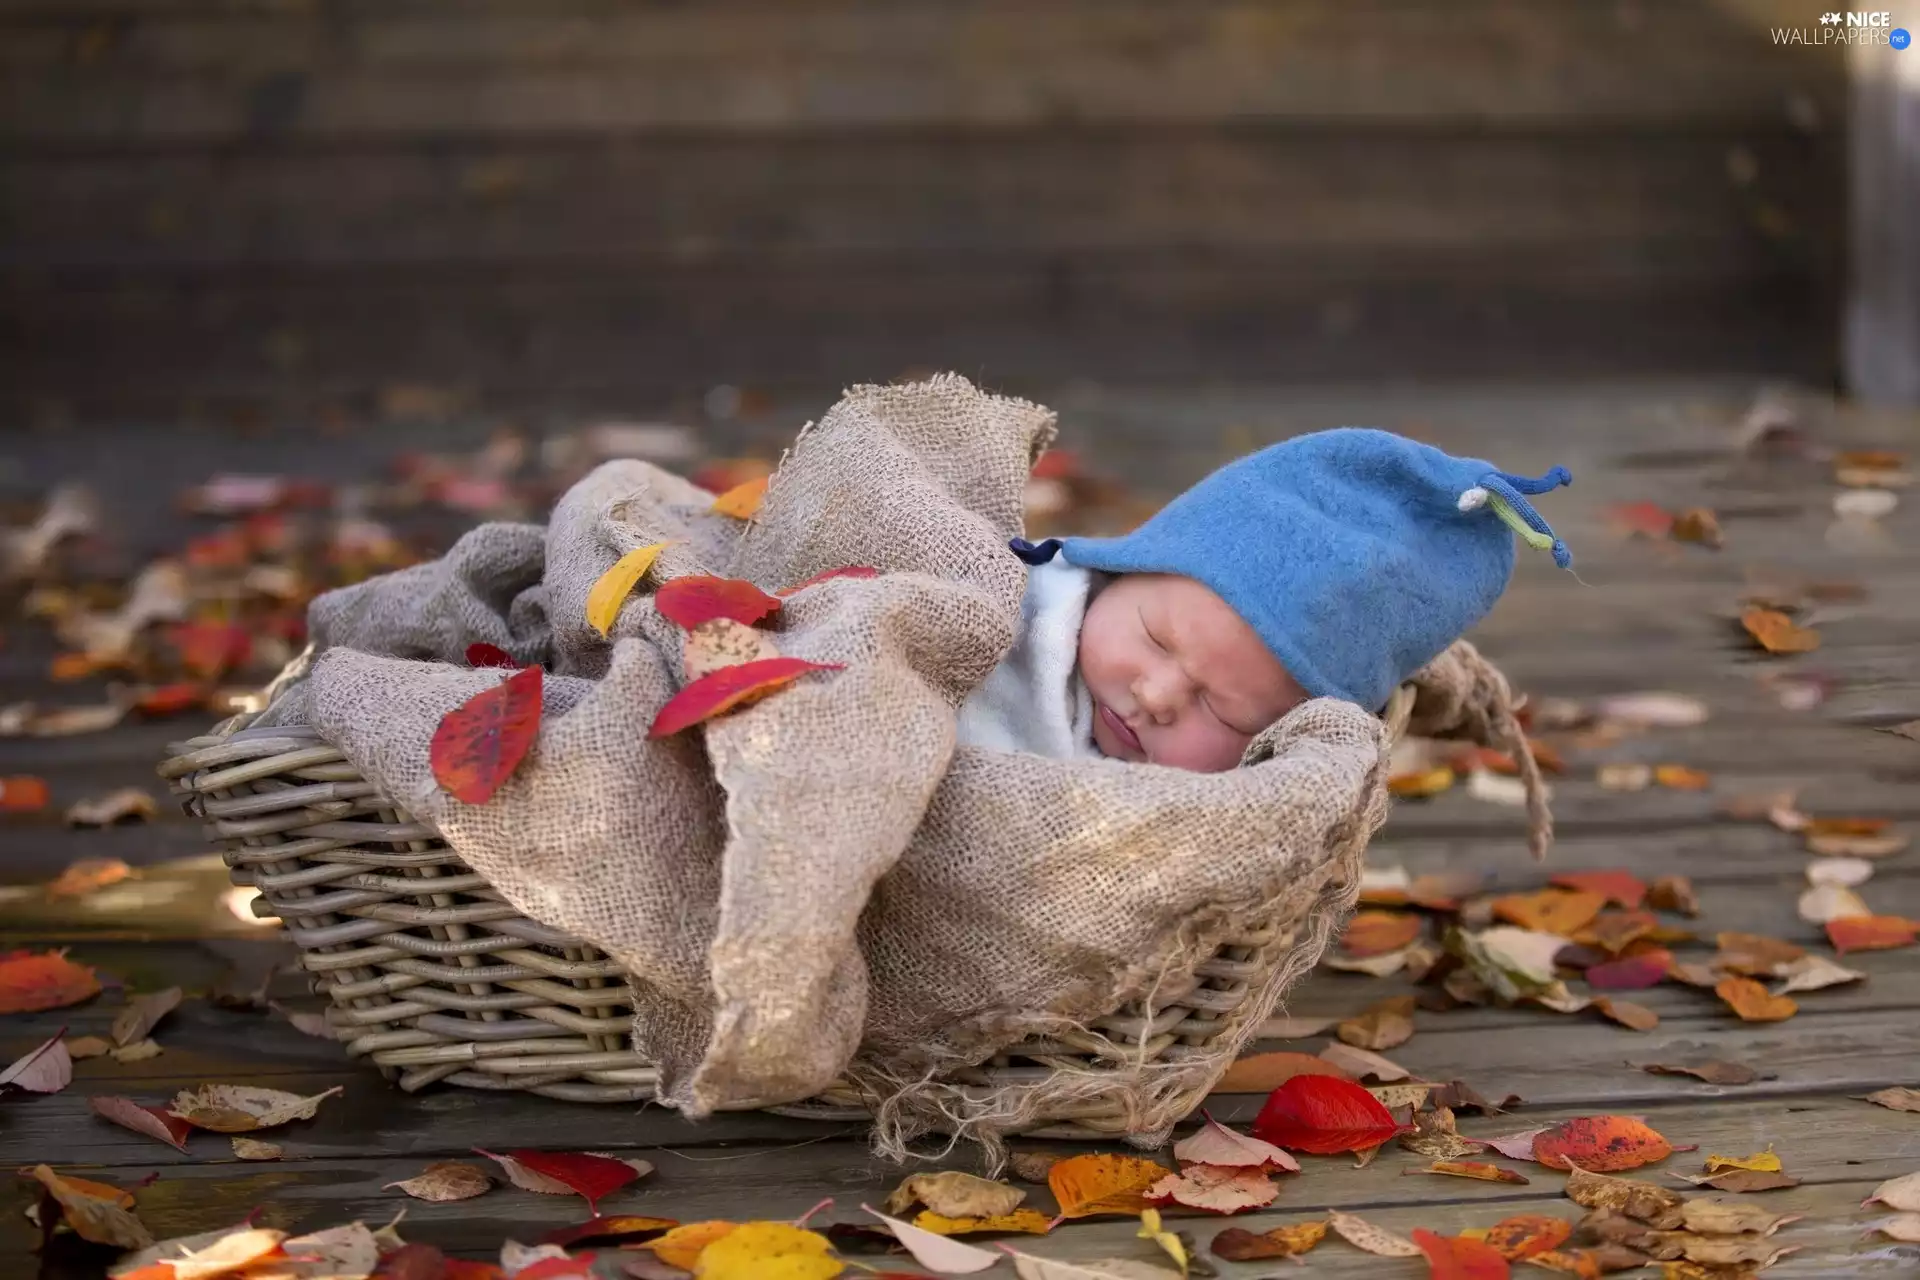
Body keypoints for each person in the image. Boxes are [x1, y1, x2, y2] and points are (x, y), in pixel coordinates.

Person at [954, 427, 1573, 770]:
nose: (1157, 696)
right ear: (1123, 570)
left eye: (1222, 712)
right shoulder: (1012, 603)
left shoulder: (1226, 810)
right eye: (1156, 638)